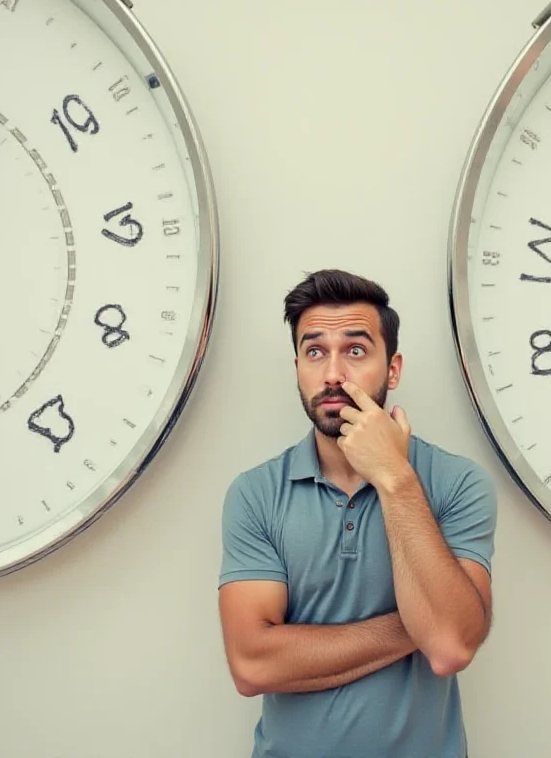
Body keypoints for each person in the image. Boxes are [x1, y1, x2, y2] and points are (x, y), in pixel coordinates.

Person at [218, 268, 497, 758]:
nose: (332, 374)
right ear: (298, 367)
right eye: (314, 351)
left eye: (355, 350)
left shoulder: (458, 484)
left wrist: (394, 478)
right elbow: (252, 665)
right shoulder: (255, 493)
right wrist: (420, 625)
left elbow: (451, 648)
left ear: (392, 369)